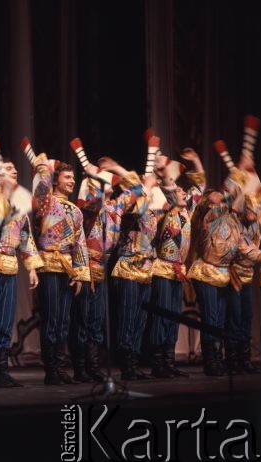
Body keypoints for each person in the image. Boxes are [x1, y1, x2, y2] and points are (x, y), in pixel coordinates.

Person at [188, 160, 261, 376]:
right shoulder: (212, 216)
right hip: (205, 272)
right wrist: (240, 168)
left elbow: (249, 250)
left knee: (219, 319)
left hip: (222, 275)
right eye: (213, 196)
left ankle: (218, 360)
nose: (217, 197)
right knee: (211, 318)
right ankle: (211, 361)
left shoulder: (235, 223)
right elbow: (226, 194)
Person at [72, 158, 145, 382]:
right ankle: (81, 367)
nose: (110, 186)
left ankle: (94, 366)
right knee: (83, 320)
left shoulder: (115, 209)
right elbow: (90, 201)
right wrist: (93, 176)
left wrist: (116, 168)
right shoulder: (88, 210)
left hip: (102, 268)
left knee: (96, 321)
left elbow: (137, 188)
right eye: (104, 183)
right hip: (85, 266)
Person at [0, 158, 43, 388]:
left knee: (5, 321)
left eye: (15, 169)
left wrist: (31, 266)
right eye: (9, 169)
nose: (15, 171)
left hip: (10, 265)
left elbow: (25, 236)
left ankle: (4, 368)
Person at [32, 156, 90, 385]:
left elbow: (80, 243)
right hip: (48, 265)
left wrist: (80, 274)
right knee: (51, 318)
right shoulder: (46, 201)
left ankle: (61, 367)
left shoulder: (76, 211)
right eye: (67, 177)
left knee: (64, 320)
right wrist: (45, 166)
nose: (72, 181)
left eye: (74, 177)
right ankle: (51, 370)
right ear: (56, 181)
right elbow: (41, 188)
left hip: (67, 268)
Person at [147, 148, 205, 378]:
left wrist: (197, 161)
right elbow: (169, 190)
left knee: (172, 316)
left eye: (183, 191)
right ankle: (158, 362)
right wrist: (165, 173)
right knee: (162, 315)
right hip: (163, 268)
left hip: (177, 271)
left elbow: (200, 187)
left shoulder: (188, 212)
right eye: (179, 190)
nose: (182, 192)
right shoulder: (166, 208)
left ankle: (169, 361)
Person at [108, 159, 158, 381]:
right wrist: (120, 170)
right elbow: (133, 201)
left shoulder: (151, 207)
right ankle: (126, 363)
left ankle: (135, 360)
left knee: (140, 319)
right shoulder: (131, 206)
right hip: (128, 267)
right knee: (128, 318)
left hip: (146, 269)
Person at [226, 158, 261, 374]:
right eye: (251, 208)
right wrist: (239, 171)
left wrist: (251, 170)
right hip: (234, 276)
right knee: (235, 316)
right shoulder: (235, 224)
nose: (255, 213)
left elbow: (259, 189)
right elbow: (247, 250)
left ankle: (245, 359)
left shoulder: (257, 220)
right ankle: (233, 360)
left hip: (248, 274)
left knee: (247, 316)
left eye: (257, 209)